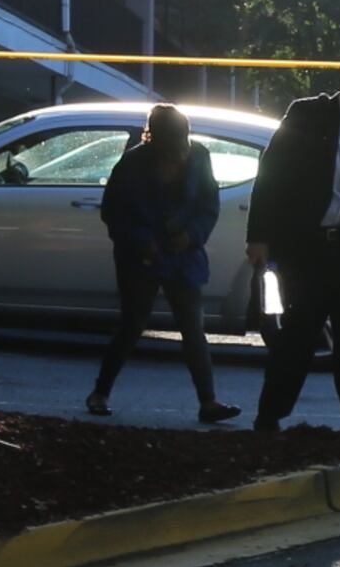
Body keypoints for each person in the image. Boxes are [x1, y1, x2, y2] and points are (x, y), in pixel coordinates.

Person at [246, 61, 340, 437]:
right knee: (298, 338)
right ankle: (269, 419)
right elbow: (271, 174)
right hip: (309, 250)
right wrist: (260, 236)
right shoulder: (309, 114)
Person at [86, 103, 238, 422]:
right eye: (174, 142)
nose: (181, 149)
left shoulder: (200, 156)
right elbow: (113, 213)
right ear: (154, 138)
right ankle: (100, 392)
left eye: (184, 138)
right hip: (140, 256)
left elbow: (209, 205)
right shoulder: (133, 163)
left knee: (192, 329)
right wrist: (144, 242)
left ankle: (208, 402)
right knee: (132, 324)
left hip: (184, 255)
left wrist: (192, 236)